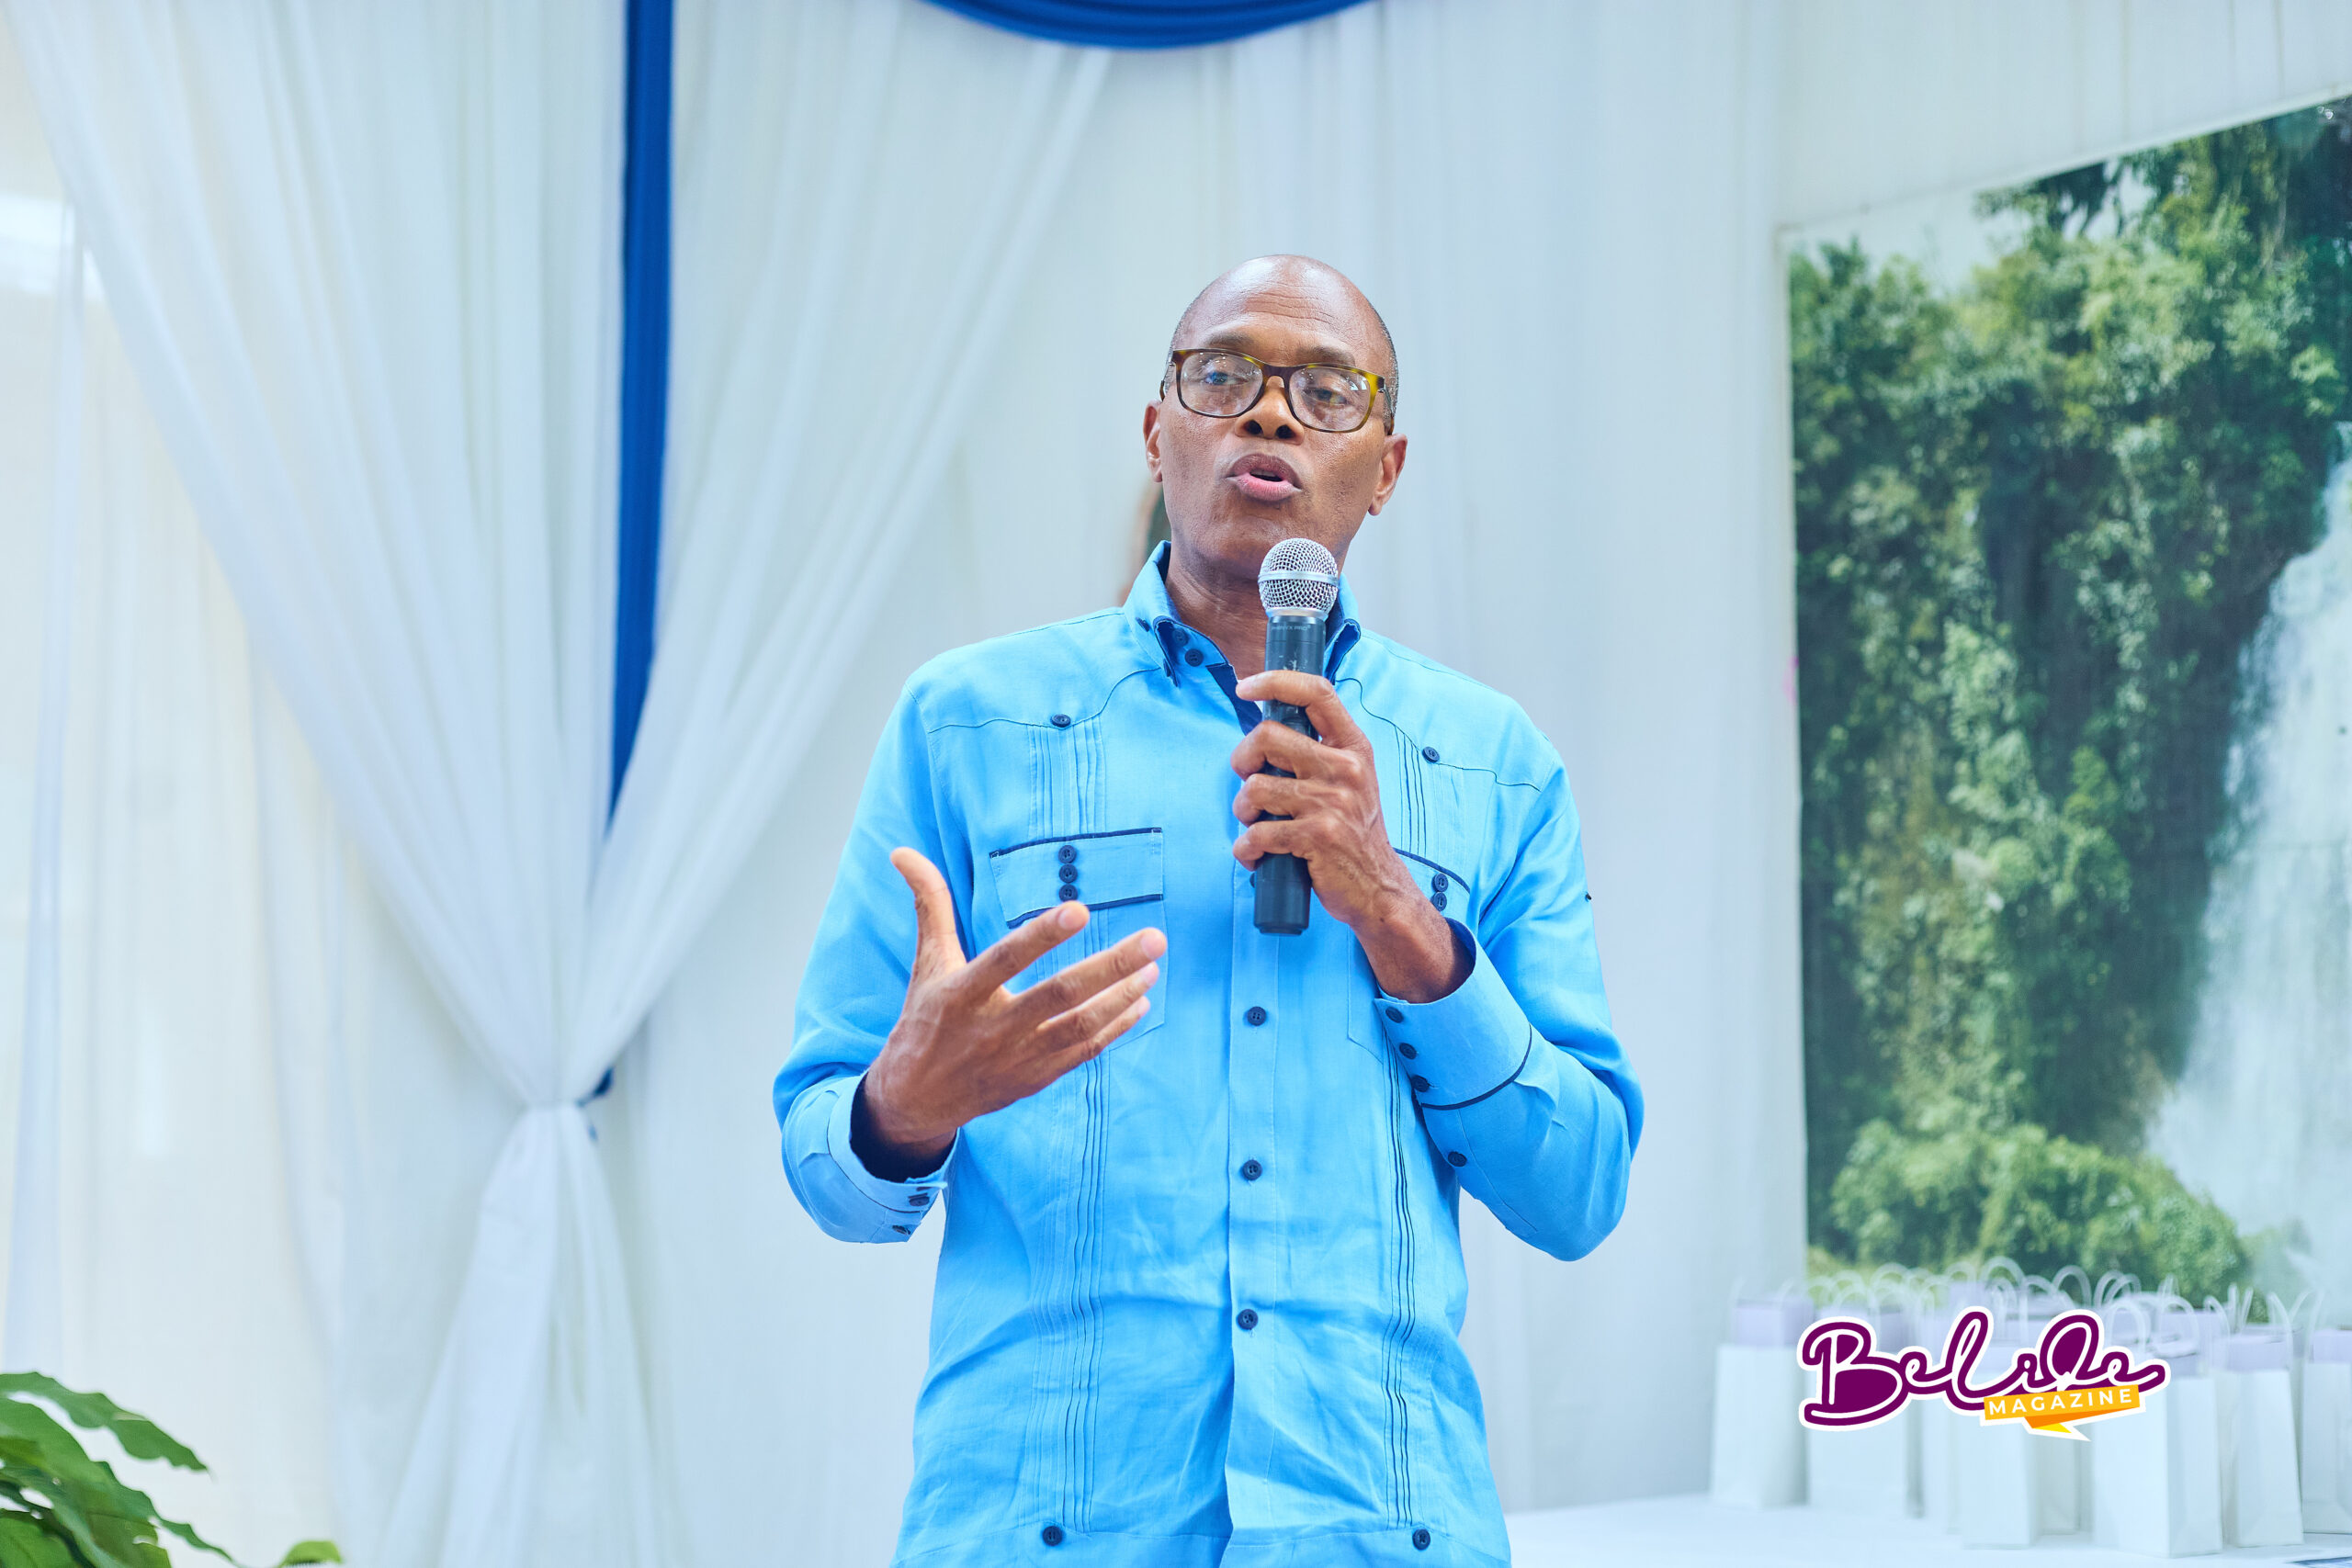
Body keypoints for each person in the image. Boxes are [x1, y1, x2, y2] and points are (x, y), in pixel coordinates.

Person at [775, 255, 1642, 1567]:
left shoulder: (1495, 765)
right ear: (1156, 433)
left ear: (1388, 469)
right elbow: (824, 1162)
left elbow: (1580, 1193)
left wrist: (1398, 916)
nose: (1273, 412)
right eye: (1224, 376)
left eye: (1327, 391)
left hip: (1377, 1532)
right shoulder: (965, 724)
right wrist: (903, 1107)